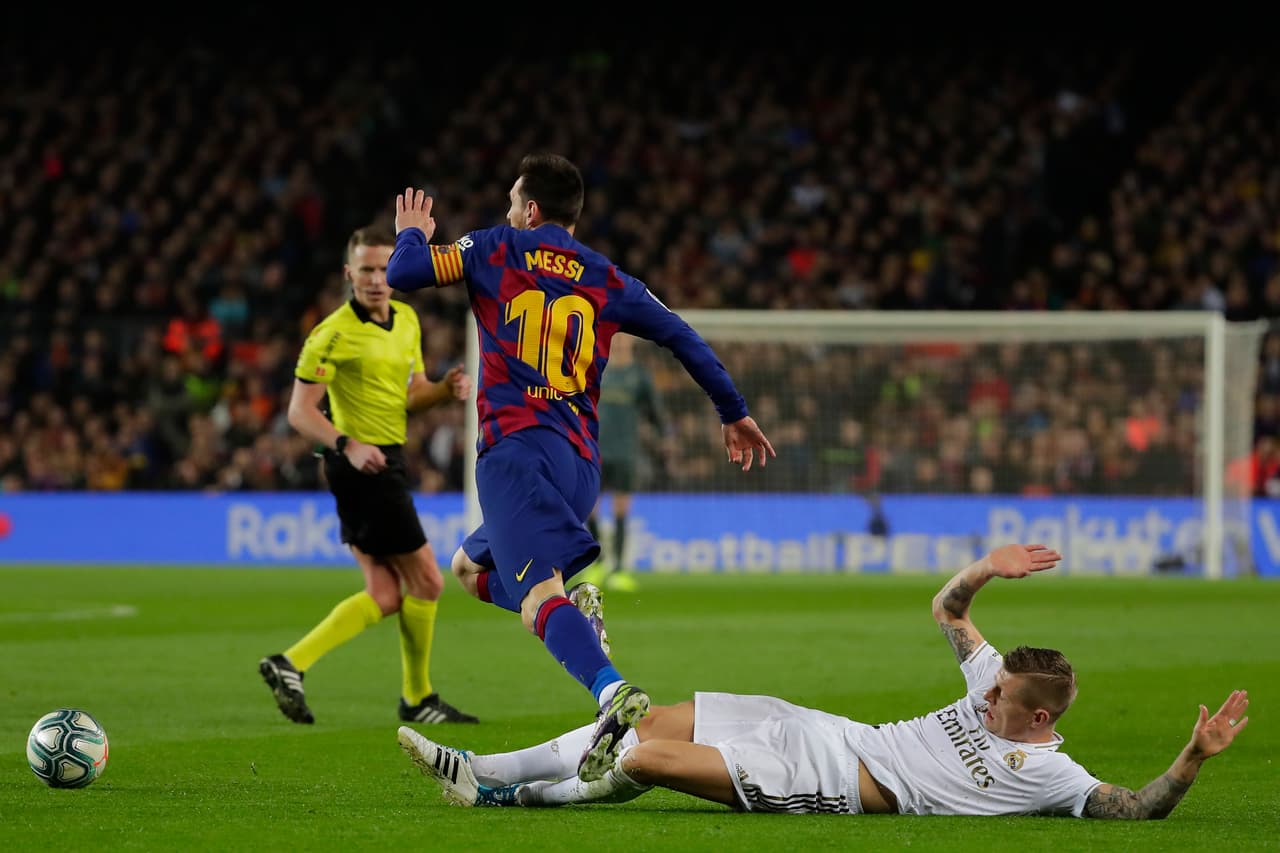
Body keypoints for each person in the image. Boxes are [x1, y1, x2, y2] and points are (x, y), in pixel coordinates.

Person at [385, 153, 775, 781]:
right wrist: (733, 411)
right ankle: (578, 612)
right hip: (578, 469)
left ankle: (612, 692)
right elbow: (682, 335)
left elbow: (405, 270)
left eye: (514, 201)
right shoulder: (607, 277)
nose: (510, 210)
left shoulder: (494, 247)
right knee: (465, 568)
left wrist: (412, 232)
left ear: (531, 210)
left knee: (539, 599)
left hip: (516, 454)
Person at [397, 543, 1250, 818]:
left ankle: (510, 800)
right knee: (647, 716)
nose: (982, 691)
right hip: (821, 725)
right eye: (990, 685)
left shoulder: (1048, 774)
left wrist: (1193, 756)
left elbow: (1136, 807)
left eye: (998, 699)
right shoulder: (996, 682)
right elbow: (947, 609)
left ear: (1036, 720)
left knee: (649, 759)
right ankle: (486, 770)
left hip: (832, 778)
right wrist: (987, 567)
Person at [258, 223, 478, 726]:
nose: (377, 279)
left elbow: (411, 394)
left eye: (384, 269)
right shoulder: (330, 334)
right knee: (427, 580)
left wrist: (443, 389)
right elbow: (299, 411)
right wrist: (347, 443)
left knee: (384, 594)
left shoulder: (405, 320)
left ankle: (291, 664)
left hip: (385, 458)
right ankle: (418, 698)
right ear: (348, 273)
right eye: (367, 270)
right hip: (360, 466)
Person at [579, 332, 671, 592]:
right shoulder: (596, 370)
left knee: (621, 508)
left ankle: (618, 570)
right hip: (594, 449)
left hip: (626, 451)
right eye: (615, 339)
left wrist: (665, 435)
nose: (618, 343)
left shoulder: (639, 376)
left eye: (623, 339)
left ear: (631, 342)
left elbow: (655, 412)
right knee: (589, 507)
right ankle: (599, 562)